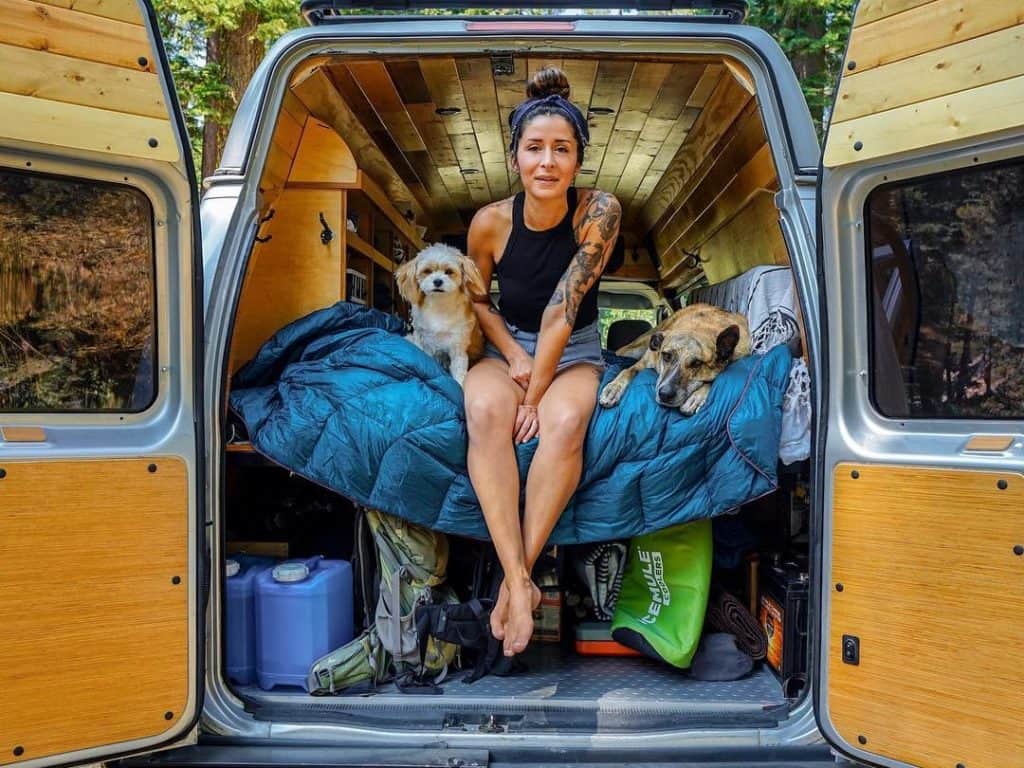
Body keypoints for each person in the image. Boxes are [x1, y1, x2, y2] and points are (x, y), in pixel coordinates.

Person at [463, 66, 622, 657]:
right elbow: (476, 297)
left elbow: (563, 309)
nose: (547, 162)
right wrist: (510, 356)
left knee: (563, 422)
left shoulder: (599, 211)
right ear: (515, 157)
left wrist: (534, 397)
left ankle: (512, 583)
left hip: (574, 347)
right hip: (508, 344)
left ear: (578, 161)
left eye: (562, 150)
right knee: (482, 410)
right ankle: (522, 581)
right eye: (535, 149)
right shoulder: (489, 222)